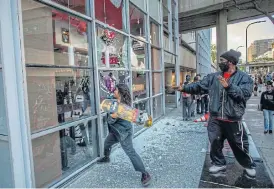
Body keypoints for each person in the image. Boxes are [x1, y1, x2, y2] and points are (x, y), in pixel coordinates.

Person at [174, 49, 256, 178]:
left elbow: (243, 95)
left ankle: (247, 164)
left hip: (232, 118)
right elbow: (200, 86)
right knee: (215, 142)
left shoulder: (244, 78)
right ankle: (218, 163)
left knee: (238, 144)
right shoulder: (214, 77)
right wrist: (184, 88)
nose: (219, 63)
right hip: (215, 117)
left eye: (222, 60)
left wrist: (228, 87)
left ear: (231, 62)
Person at [97, 84, 151, 186]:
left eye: (116, 90)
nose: (114, 91)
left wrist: (113, 117)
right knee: (107, 143)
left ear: (120, 92)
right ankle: (106, 157)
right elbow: (107, 101)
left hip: (124, 133)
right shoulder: (114, 100)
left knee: (130, 152)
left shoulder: (123, 108)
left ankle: (145, 174)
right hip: (115, 132)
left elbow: (111, 121)